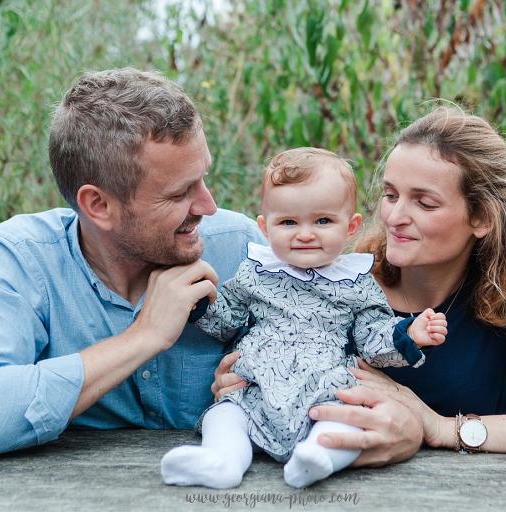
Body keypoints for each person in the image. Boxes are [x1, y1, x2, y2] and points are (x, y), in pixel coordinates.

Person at [211, 107, 506, 464]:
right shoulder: (337, 285)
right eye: (390, 195)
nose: (394, 217)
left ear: (481, 218)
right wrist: (243, 385)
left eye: (424, 203)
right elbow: (253, 339)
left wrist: (443, 429)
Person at [0, 68, 267, 464]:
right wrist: (143, 336)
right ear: (98, 206)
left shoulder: (240, 248)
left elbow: (336, 351)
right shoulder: (21, 260)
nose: (208, 206)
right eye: (179, 193)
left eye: (202, 179)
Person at [160, 148, 446, 488]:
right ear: (265, 228)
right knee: (224, 416)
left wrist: (407, 333)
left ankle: (318, 457)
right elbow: (229, 319)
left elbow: (372, 336)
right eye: (289, 222)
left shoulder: (357, 283)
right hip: (257, 386)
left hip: (325, 388)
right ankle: (222, 462)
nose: (306, 233)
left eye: (323, 221)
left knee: (345, 421)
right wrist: (200, 304)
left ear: (350, 226)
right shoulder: (255, 273)